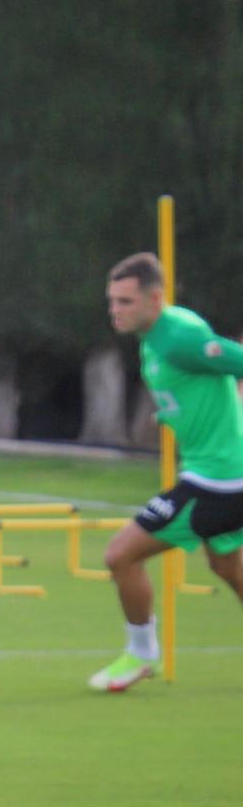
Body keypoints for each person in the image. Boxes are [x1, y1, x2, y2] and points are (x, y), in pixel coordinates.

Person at [91, 252, 243, 691]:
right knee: (227, 567)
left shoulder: (179, 338)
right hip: (217, 472)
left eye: (125, 302)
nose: (115, 311)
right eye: (112, 302)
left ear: (154, 299)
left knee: (121, 555)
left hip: (218, 482)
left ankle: (141, 654)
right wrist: (173, 414)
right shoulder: (156, 334)